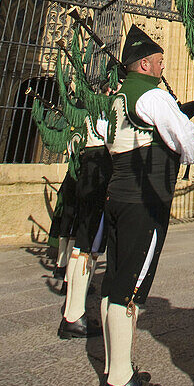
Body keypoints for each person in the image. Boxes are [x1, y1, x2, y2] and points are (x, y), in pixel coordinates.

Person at [101, 25, 194, 386]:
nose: (163, 67)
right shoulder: (154, 97)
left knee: (114, 282)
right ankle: (120, 379)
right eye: (159, 61)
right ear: (145, 63)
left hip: (117, 197)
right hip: (144, 203)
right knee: (131, 288)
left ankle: (115, 367)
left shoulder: (117, 99)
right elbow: (187, 144)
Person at [58, 109, 113, 338]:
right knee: (90, 248)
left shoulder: (83, 108)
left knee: (82, 245)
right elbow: (112, 138)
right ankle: (74, 316)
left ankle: (72, 311)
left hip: (86, 166)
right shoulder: (108, 105)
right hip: (100, 168)